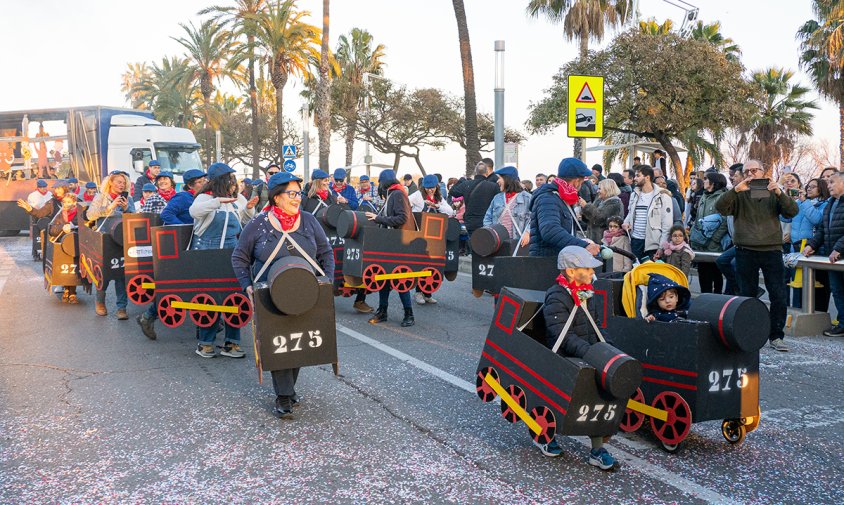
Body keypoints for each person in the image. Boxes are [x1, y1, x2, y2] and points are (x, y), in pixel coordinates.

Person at [232, 172, 334, 418]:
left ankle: (289, 389)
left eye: (298, 193)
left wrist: (327, 281)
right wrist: (247, 284)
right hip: (270, 295)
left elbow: (326, 252)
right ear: (277, 198)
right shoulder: (258, 224)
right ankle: (284, 396)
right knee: (278, 346)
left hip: (306, 292)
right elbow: (239, 257)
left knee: (297, 342)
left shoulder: (309, 221)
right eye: (291, 193)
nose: (297, 198)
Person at [541, 246, 619, 471]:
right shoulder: (556, 295)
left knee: (599, 392)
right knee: (570, 393)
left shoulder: (587, 292)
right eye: (586, 267)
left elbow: (596, 326)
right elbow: (562, 336)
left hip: (585, 352)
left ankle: (597, 449)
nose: (591, 271)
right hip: (564, 354)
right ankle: (545, 434)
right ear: (571, 272)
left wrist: (608, 349)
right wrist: (590, 352)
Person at [716, 159, 798, 352]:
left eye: (755, 170)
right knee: (747, 295)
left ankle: (776, 336)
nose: (751, 174)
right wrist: (736, 189)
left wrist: (778, 191)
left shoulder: (773, 191)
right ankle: (748, 335)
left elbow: (792, 211)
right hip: (746, 249)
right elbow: (720, 207)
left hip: (772, 249)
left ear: (763, 172)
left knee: (778, 294)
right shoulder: (738, 193)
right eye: (747, 171)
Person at [188, 163, 257, 358]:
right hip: (206, 252)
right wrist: (218, 201)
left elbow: (247, 221)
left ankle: (231, 343)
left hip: (231, 252)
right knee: (209, 298)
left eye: (233, 180)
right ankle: (205, 343)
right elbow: (194, 212)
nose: (233, 184)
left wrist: (250, 209)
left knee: (234, 296)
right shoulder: (204, 197)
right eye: (229, 180)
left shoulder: (238, 199)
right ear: (219, 182)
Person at [136, 169, 207, 340]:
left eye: (205, 179)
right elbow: (167, 214)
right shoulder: (183, 198)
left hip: (195, 247)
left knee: (197, 285)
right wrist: (186, 229)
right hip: (180, 248)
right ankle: (148, 316)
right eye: (200, 181)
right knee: (175, 287)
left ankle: (206, 324)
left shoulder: (202, 198)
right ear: (190, 184)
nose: (204, 183)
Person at [365, 170, 416, 327]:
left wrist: (378, 218)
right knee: (385, 278)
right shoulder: (393, 194)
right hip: (391, 242)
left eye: (380, 182)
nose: (379, 185)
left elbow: (402, 218)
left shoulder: (397, 194)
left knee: (400, 278)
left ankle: (409, 314)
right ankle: (383, 311)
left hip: (399, 243)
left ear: (384, 182)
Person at [87, 171, 136, 319]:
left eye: (123, 182)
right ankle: (100, 302)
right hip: (105, 239)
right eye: (119, 182)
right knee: (105, 274)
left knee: (122, 274)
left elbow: (134, 217)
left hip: (122, 239)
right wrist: (110, 207)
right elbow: (90, 215)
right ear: (111, 183)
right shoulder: (101, 196)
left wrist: (127, 209)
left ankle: (122, 308)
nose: (121, 185)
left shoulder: (129, 198)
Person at [529, 158, 600, 258]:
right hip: (547, 264)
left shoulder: (561, 197)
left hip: (558, 260)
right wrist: (583, 245)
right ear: (576, 181)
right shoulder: (548, 198)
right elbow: (550, 230)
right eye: (583, 180)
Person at [804, 172, 844, 336]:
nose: (828, 186)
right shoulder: (831, 203)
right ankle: (842, 324)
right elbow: (822, 229)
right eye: (827, 183)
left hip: (839, 254)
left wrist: (840, 248)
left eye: (832, 182)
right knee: (838, 291)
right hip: (832, 257)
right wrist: (812, 245)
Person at [790, 178, 830, 310]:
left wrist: (805, 202)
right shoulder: (800, 202)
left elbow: (817, 220)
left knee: (814, 286)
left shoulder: (824, 204)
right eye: (808, 186)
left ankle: (817, 314)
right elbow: (785, 216)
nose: (808, 188)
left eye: (813, 187)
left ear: (821, 189)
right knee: (797, 285)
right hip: (795, 246)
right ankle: (797, 312)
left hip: (812, 248)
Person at [622, 165, 674, 260]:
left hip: (652, 244)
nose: (635, 178)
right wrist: (626, 222)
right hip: (635, 241)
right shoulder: (634, 195)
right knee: (636, 272)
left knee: (650, 273)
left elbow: (667, 224)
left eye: (638, 176)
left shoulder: (663, 196)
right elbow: (630, 213)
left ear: (647, 177)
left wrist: (661, 247)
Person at [690, 172, 729, 293]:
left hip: (714, 246)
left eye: (706, 179)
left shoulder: (722, 197)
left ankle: (716, 302)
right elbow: (697, 218)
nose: (704, 181)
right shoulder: (704, 196)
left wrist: (715, 240)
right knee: (703, 273)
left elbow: (724, 221)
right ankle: (704, 300)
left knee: (715, 274)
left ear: (714, 182)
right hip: (701, 243)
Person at [482, 166, 531, 251]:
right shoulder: (497, 198)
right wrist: (491, 234)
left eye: (499, 178)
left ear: (507, 179)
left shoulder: (527, 198)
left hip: (519, 244)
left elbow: (534, 219)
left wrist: (528, 232)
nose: (497, 181)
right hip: (498, 244)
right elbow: (487, 218)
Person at [450, 159, 499, 240]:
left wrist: (461, 179)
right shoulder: (493, 186)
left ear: (475, 172)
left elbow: (453, 191)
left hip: (470, 221)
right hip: (486, 221)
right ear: (486, 172)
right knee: (486, 245)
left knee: (473, 243)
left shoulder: (466, 184)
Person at [48, 193, 82, 303]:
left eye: (69, 202)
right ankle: (66, 289)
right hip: (62, 244)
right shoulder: (59, 214)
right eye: (64, 202)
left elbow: (85, 226)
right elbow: (52, 230)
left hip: (75, 244)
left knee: (74, 268)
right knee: (65, 268)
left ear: (74, 203)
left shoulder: (79, 213)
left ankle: (72, 292)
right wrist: (62, 227)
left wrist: (73, 227)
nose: (66, 205)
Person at [716, 164, 744, 296]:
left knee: (733, 264)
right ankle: (735, 289)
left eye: (735, 175)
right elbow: (721, 207)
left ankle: (737, 291)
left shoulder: (750, 194)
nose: (731, 178)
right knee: (723, 262)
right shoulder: (732, 193)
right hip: (735, 240)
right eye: (730, 175)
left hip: (746, 242)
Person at [581, 179, 624, 246]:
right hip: (594, 240)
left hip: (605, 241)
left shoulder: (614, 203)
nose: (597, 191)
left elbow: (599, 219)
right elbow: (590, 218)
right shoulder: (599, 200)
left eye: (600, 189)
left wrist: (586, 206)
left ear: (607, 189)